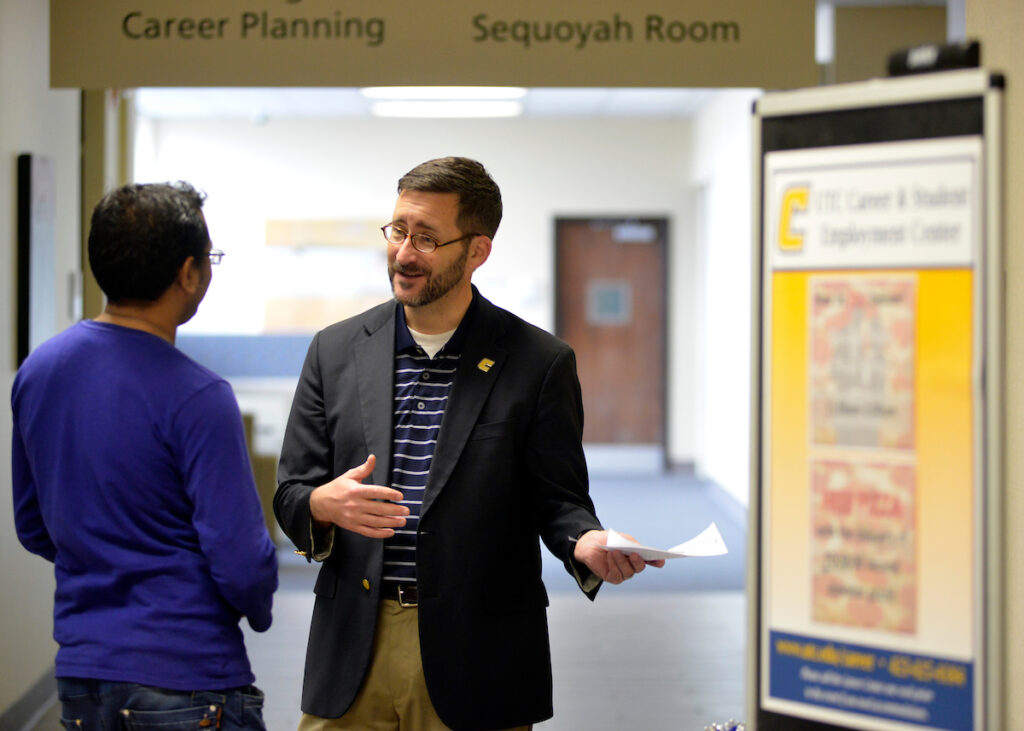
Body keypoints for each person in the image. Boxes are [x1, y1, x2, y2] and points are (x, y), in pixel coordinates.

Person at [275, 156, 662, 731]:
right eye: (398, 229)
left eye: (427, 238)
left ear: (477, 251)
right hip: (353, 646)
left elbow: (558, 498)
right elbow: (290, 492)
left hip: (478, 652)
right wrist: (320, 505)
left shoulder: (538, 362)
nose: (404, 253)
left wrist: (584, 540)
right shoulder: (334, 351)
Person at [11, 181, 278, 730]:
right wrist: (258, 608)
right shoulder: (199, 396)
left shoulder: (40, 371)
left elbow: (34, 525)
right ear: (188, 274)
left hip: (84, 675)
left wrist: (104, 558)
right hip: (187, 673)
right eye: (209, 259)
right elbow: (240, 559)